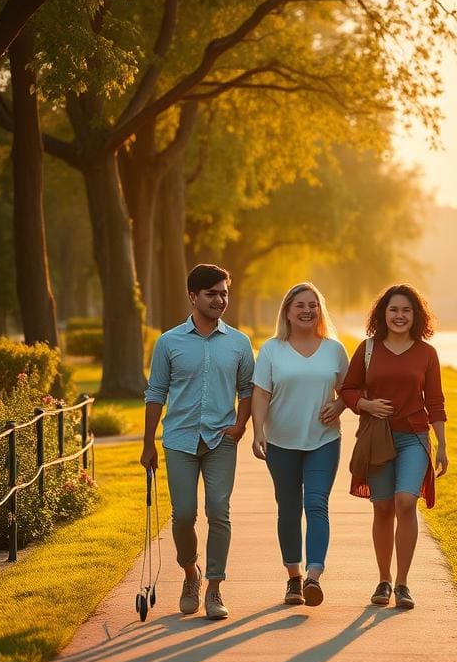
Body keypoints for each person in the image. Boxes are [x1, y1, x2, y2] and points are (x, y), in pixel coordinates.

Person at [141, 264, 254, 620]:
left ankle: (215, 587)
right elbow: (156, 391)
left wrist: (240, 426)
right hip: (180, 439)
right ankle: (191, 573)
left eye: (224, 293)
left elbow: (247, 389)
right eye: (212, 294)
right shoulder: (169, 342)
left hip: (222, 439)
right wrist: (147, 444)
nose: (220, 300)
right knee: (184, 514)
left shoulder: (239, 342)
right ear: (193, 296)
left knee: (219, 512)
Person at [340, 284, 448, 610]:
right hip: (378, 439)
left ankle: (403, 583)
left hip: (414, 436)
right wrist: (366, 405)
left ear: (416, 315)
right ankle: (384, 579)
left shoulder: (426, 353)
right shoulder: (368, 349)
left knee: (405, 502)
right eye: (393, 310)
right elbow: (348, 389)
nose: (399, 316)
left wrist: (441, 445)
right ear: (382, 314)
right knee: (383, 507)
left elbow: (437, 402)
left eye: (406, 310)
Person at [251, 283, 348, 607]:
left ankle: (313, 577)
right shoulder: (271, 350)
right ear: (288, 313)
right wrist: (257, 432)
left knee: (317, 503)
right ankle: (293, 577)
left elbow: (349, 389)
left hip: (324, 440)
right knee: (289, 508)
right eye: (300, 306)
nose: (307, 310)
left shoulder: (334, 349)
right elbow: (261, 394)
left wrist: (339, 405)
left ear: (320, 310)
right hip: (281, 442)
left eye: (313, 305)